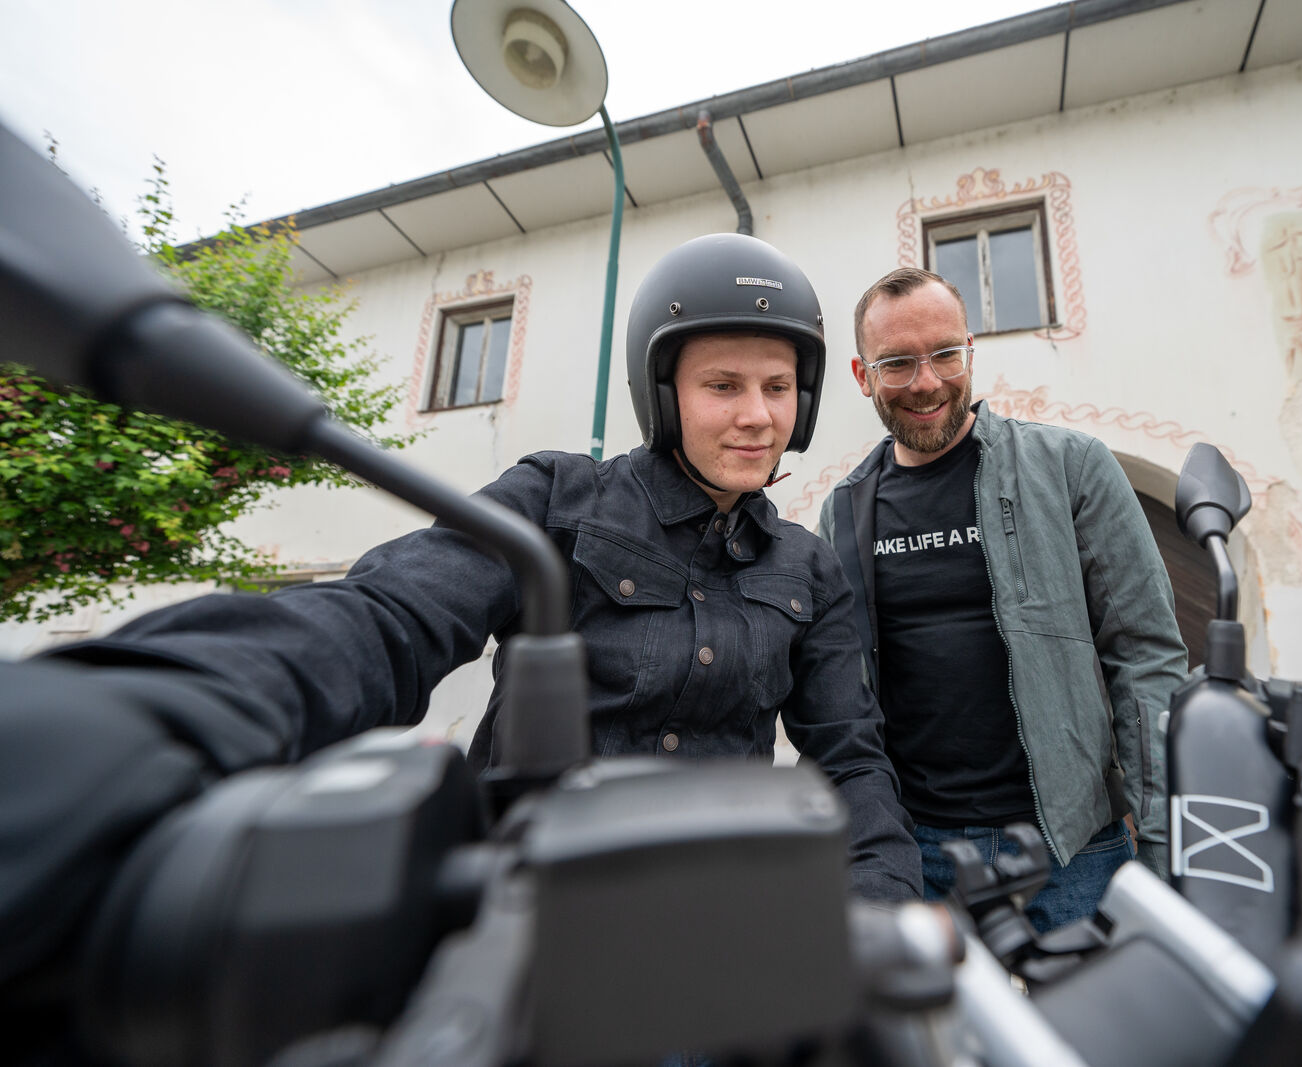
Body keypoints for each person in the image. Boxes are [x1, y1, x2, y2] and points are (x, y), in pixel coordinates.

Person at [0, 234, 922, 1002]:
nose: (757, 415)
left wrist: (882, 913)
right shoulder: (556, 501)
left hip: (720, 944)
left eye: (778, 387)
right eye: (723, 385)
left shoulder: (806, 566)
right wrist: (173, 707)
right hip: (526, 939)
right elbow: (392, 614)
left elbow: (849, 755)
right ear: (663, 389)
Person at [817, 266, 1188, 933]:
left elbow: (1145, 657)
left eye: (944, 354)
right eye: (896, 363)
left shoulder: (1072, 467)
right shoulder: (842, 512)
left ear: (970, 352)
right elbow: (841, 695)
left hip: (1072, 849)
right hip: (917, 853)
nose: (926, 381)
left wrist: (1161, 839)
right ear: (862, 375)